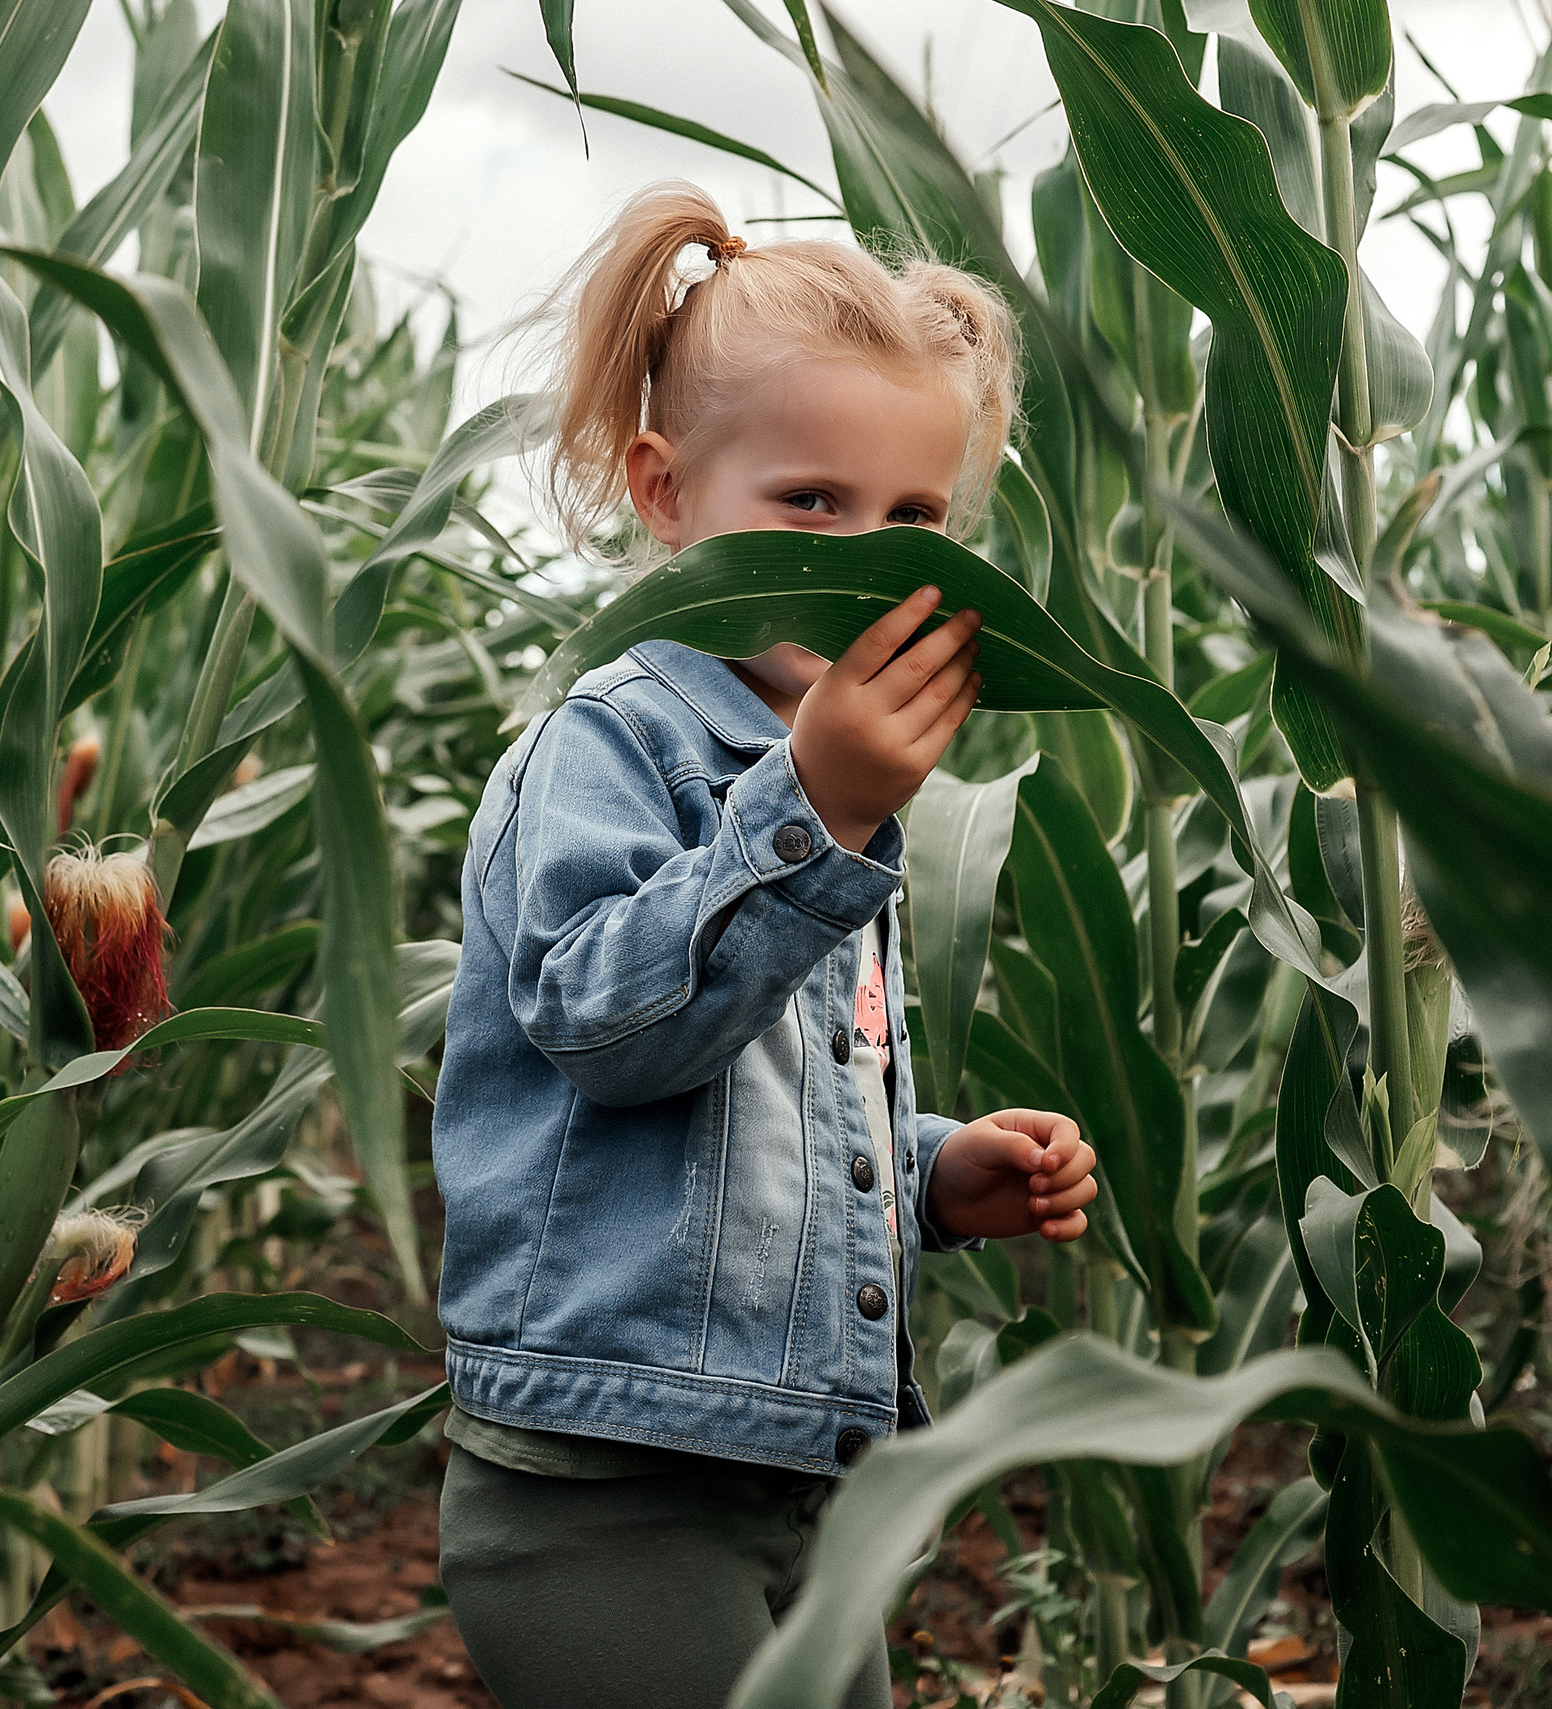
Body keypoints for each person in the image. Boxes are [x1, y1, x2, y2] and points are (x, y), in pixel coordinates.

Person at [428, 182, 1098, 1709]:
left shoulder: (821, 772)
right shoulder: (613, 745)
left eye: (915, 522)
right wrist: (813, 807)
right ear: (667, 495)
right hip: (610, 1488)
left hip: (801, 1478)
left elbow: (771, 1104)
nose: (868, 565)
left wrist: (930, 1167)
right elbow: (607, 1032)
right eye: (810, 505)